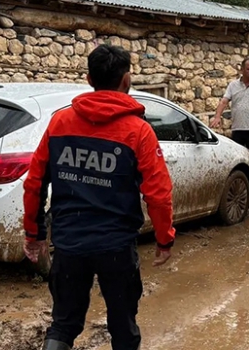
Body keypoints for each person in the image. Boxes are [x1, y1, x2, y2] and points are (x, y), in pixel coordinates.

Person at [23, 45, 176, 350]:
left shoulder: (59, 123)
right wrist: (164, 239)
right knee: (123, 327)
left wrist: (34, 234)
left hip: (68, 245)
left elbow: (34, 183)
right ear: (127, 79)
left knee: (63, 324)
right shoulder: (139, 131)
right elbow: (158, 194)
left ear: (89, 78)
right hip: (117, 248)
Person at [211, 57, 249, 165]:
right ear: (242, 70)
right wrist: (217, 116)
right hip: (238, 129)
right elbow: (224, 101)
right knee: (237, 160)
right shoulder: (233, 85)